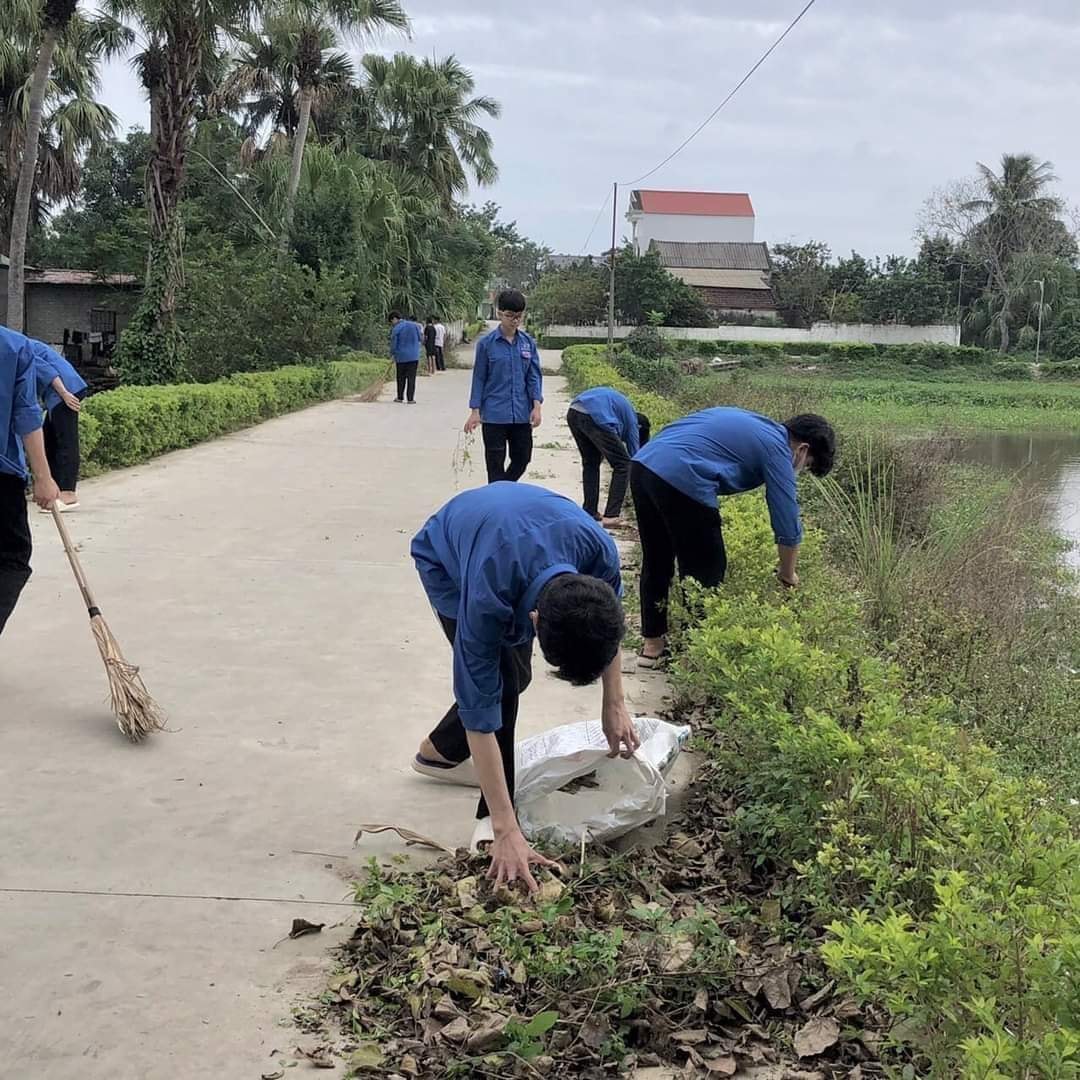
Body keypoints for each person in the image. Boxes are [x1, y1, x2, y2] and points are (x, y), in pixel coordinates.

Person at [410, 482, 639, 891]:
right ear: (533, 622)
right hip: (447, 557)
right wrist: (506, 829)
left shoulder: (600, 555)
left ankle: (439, 752)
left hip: (525, 527)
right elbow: (478, 708)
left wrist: (614, 702)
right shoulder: (487, 597)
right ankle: (492, 821)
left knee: (515, 678)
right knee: (501, 685)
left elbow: (610, 633)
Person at [630, 408, 835, 667]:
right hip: (683, 475)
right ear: (803, 450)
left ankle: (652, 646)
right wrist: (788, 574)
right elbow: (786, 519)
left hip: (643, 465)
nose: (801, 469)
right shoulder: (779, 448)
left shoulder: (755, 423)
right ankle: (694, 656)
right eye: (808, 466)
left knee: (657, 558)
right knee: (708, 568)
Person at [1, 326, 59, 636]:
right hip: (3, 476)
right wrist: (44, 478)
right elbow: (26, 414)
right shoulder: (14, 347)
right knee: (11, 559)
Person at [465, 289, 542, 483]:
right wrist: (475, 410)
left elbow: (533, 376)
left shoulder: (527, 344)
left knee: (523, 459)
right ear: (499, 313)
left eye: (519, 316)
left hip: (521, 414)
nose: (514, 321)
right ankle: (498, 503)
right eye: (510, 316)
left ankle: (503, 490)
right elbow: (479, 378)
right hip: (494, 415)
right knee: (495, 465)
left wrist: (537, 406)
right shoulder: (486, 344)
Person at [567, 386, 651, 527]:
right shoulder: (633, 424)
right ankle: (611, 516)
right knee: (623, 465)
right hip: (595, 414)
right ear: (640, 428)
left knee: (591, 463)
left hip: (574, 411)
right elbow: (635, 459)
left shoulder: (620, 413)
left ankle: (590, 510)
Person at [31, 339, 87, 511]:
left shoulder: (16, 348)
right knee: (47, 440)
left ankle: (68, 493)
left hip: (65, 390)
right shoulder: (13, 344)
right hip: (55, 394)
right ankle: (51, 490)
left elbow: (48, 371)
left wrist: (65, 394)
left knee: (65, 440)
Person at [389, 311, 422, 404]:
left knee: (401, 377)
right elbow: (420, 338)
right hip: (414, 356)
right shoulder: (415, 326)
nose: (392, 324)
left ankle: (400, 397)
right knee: (412, 378)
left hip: (401, 357)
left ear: (395, 319)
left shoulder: (396, 329)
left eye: (392, 321)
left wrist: (392, 354)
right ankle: (410, 399)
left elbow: (393, 344)